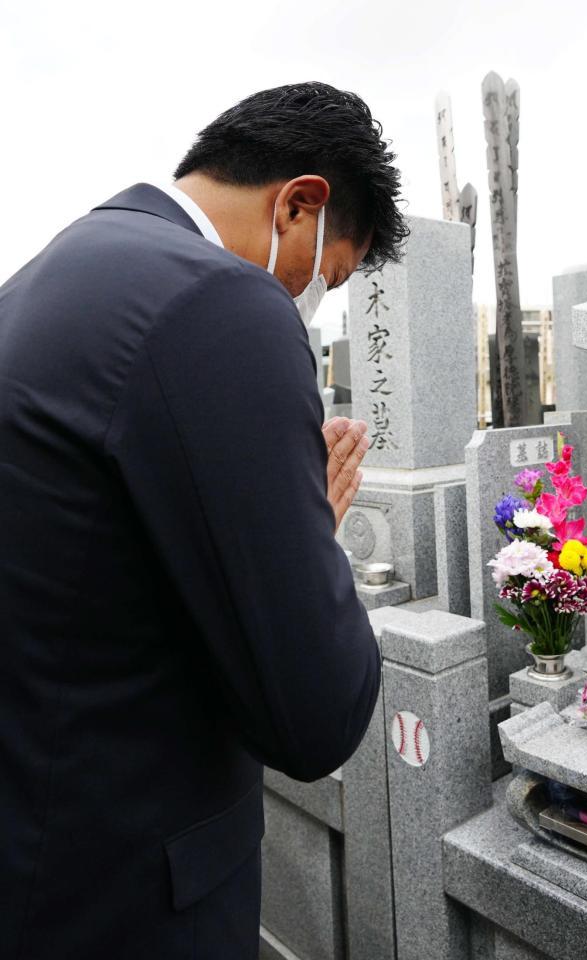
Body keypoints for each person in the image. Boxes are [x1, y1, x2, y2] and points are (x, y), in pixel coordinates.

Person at [0, 81, 407, 959]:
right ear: (299, 204)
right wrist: (315, 540)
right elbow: (317, 714)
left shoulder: (49, 274)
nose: (311, 301)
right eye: (324, 277)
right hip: (131, 890)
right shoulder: (218, 302)